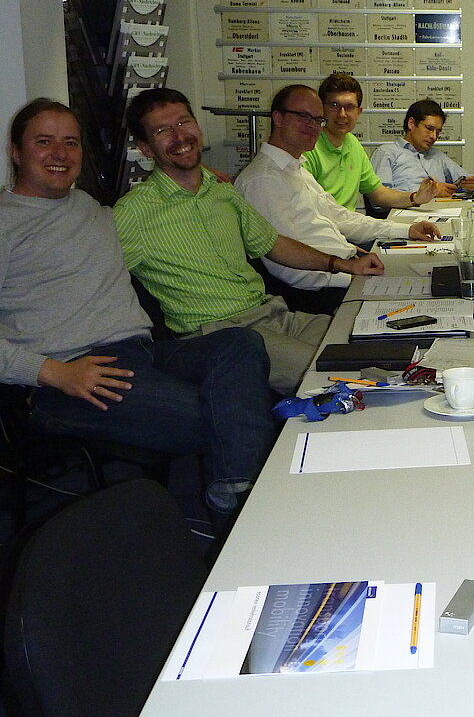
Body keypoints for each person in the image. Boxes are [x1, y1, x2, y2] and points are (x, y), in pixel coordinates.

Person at [1, 99, 276, 514]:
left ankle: (237, 490)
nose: (60, 153)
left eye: (70, 142)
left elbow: (161, 199)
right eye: (44, 142)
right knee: (225, 414)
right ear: (16, 152)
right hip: (69, 376)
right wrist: (53, 372)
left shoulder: (89, 207)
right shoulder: (6, 223)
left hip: (142, 354)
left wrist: (202, 177)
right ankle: (244, 510)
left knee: (241, 344)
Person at [114, 88, 384, 395]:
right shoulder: (133, 212)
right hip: (218, 334)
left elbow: (274, 244)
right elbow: (97, 283)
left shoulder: (222, 192)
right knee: (335, 375)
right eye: (162, 131)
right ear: (146, 149)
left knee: (371, 345)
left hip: (271, 314)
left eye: (183, 122)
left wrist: (343, 265)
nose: (179, 136)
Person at [235, 84, 441, 313]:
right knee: (428, 303)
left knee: (434, 281)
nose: (312, 126)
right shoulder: (263, 179)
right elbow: (287, 268)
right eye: (303, 116)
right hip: (321, 293)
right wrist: (350, 277)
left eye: (317, 119)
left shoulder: (295, 168)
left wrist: (405, 230)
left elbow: (340, 217)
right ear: (278, 118)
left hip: (346, 268)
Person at [304, 73, 435, 212]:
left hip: (348, 224)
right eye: (334, 105)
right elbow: (307, 210)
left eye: (349, 107)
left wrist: (415, 198)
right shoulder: (308, 147)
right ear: (321, 109)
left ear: (358, 112)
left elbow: (378, 193)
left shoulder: (352, 143)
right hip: (322, 224)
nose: (342, 114)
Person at [370, 98, 474, 198]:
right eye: (429, 128)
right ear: (411, 123)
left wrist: (473, 186)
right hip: (406, 211)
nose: (434, 137)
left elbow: (471, 181)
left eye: (438, 132)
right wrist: (430, 193)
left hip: (442, 210)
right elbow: (378, 198)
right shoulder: (386, 152)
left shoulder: (437, 156)